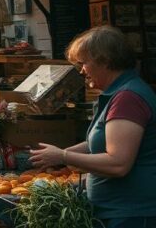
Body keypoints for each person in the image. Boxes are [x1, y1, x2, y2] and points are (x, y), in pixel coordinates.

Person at [29, 26, 156, 226]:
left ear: (104, 60)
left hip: (130, 214)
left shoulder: (128, 98)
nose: (81, 71)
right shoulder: (119, 92)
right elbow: (96, 144)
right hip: (117, 212)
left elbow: (118, 163)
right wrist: (59, 155)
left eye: (83, 63)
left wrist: (63, 156)